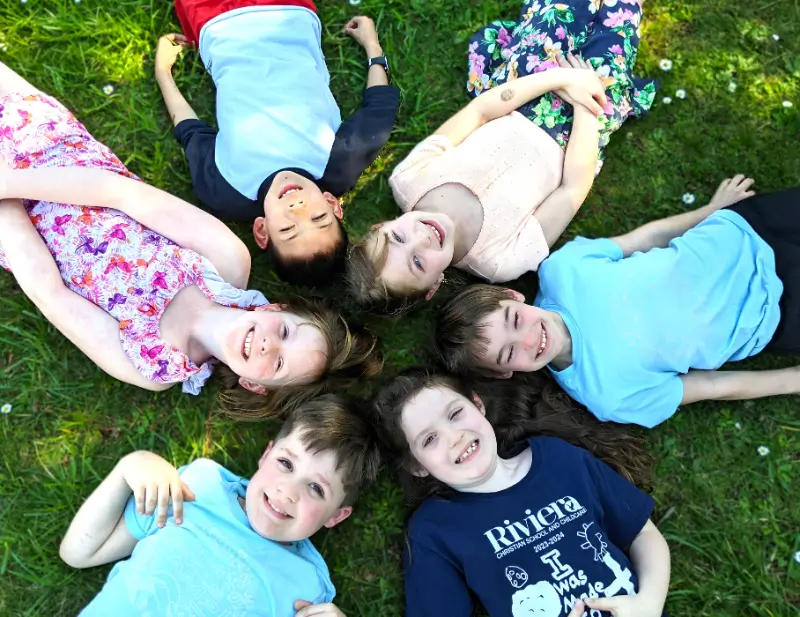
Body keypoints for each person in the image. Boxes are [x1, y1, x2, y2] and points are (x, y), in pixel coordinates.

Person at [0, 61, 381, 418]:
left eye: (278, 364)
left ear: (256, 385)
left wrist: (7, 208)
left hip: (13, 231)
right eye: (284, 332)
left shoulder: (151, 366)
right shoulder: (226, 259)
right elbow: (120, 194)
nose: (268, 345)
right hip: (54, 153)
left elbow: (52, 295)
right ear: (273, 309)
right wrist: (8, 183)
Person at [346, 0, 655, 313]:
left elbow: (479, 112)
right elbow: (572, 189)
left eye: (398, 237)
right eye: (417, 262)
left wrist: (560, 78)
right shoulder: (501, 261)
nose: (421, 239)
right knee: (617, 33)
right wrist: (585, 102)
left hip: (521, 90)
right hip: (576, 132)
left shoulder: (408, 179)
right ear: (433, 286)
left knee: (559, 14)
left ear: (381, 225)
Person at [435, 175, 800, 428]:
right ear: (504, 373)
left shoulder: (562, 270)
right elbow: (712, 387)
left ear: (513, 296)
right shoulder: (606, 395)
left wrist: (710, 211)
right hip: (775, 315)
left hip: (745, 229)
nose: (530, 339)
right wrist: (791, 381)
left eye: (514, 321)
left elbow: (644, 239)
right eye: (509, 353)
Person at [372, 367, 670, 617]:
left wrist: (650, 602)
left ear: (478, 405)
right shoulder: (434, 529)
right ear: (417, 466)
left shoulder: (558, 457)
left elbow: (642, 534)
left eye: (455, 414)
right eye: (429, 439)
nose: (454, 438)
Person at [59, 394, 379, 617]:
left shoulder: (305, 586)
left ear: (336, 516)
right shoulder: (198, 487)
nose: (288, 491)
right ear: (266, 454)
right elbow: (80, 553)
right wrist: (129, 467)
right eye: (285, 463)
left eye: (315, 488)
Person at [155, 0, 401, 287]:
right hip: (288, 12)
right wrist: (372, 46)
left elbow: (190, 132)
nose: (298, 207)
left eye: (287, 229)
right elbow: (380, 110)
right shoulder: (339, 163)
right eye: (318, 217)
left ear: (262, 231)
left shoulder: (225, 193)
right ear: (332, 204)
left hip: (216, 24)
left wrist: (163, 73)